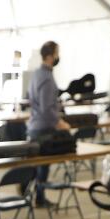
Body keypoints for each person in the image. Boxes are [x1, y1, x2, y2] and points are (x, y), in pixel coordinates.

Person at [26, 41, 71, 207]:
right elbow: (46, 107)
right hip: (43, 127)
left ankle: (32, 193)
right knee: (42, 165)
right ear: (51, 56)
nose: (59, 57)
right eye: (57, 53)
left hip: (35, 125)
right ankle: (39, 197)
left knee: (38, 163)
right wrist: (59, 122)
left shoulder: (38, 74)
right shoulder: (46, 77)